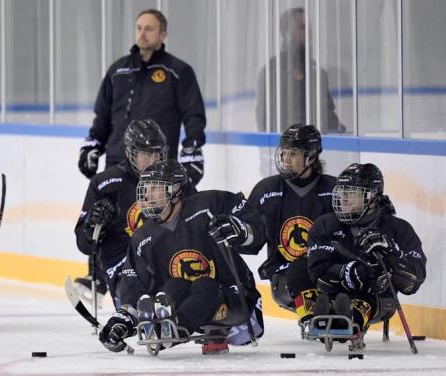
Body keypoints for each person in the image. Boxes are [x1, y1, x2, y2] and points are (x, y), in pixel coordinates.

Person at [98, 160, 264, 354]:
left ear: (175, 189)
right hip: (189, 306)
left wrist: (241, 228)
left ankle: (173, 328)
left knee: (204, 284)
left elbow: (256, 227)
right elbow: (135, 285)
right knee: (173, 286)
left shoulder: (210, 205)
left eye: (155, 188)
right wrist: (123, 319)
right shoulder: (143, 237)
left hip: (237, 303)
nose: (147, 195)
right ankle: (163, 328)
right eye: (146, 188)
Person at [218, 124, 336, 326]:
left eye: (293, 154)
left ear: (311, 156)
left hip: (326, 268)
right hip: (284, 271)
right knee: (297, 275)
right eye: (284, 153)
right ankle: (313, 316)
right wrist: (240, 231)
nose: (286, 159)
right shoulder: (267, 189)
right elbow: (252, 231)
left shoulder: (333, 189)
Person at [78, 8, 206, 187]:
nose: (142, 34)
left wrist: (193, 147)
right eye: (139, 28)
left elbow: (194, 116)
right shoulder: (118, 71)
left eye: (149, 29)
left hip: (157, 164)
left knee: (153, 215)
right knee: (110, 214)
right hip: (117, 162)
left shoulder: (178, 71)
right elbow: (103, 116)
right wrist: (92, 146)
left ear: (163, 35)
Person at [307, 163, 426, 334]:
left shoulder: (398, 229)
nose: (344, 199)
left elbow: (412, 283)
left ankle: (348, 322)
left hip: (378, 297)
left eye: (352, 193)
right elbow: (316, 272)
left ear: (373, 197)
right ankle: (329, 316)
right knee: (299, 269)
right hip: (334, 290)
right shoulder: (325, 225)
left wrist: (391, 252)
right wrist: (346, 272)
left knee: (366, 296)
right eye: (342, 192)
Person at [74, 119, 170, 308]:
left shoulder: (174, 179)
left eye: (156, 155)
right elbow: (83, 244)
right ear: (131, 152)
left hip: (164, 257)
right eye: (145, 155)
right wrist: (94, 227)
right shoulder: (106, 184)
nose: (152, 162)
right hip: (123, 263)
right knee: (140, 295)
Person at [256, 7, 345, 135]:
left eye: (308, 27)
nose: (308, 32)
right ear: (286, 32)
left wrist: (340, 132)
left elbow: (328, 116)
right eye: (302, 27)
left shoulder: (316, 71)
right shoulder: (273, 71)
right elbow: (265, 121)